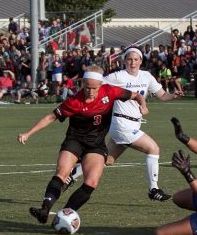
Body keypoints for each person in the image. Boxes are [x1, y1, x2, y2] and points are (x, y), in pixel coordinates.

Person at [17, 65, 147, 224]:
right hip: (75, 140)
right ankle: (44, 209)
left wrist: (143, 105)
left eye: (94, 88)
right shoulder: (74, 101)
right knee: (62, 173)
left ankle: (65, 214)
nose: (90, 91)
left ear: (101, 85)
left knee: (91, 182)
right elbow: (50, 117)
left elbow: (136, 95)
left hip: (95, 145)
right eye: (87, 87)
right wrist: (28, 133)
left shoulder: (111, 91)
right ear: (82, 84)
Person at [64, 48, 183, 201]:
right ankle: (154, 189)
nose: (132, 63)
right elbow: (97, 85)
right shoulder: (117, 76)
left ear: (141, 61)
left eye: (136, 59)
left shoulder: (146, 76)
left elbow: (162, 95)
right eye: (129, 59)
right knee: (153, 148)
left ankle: (72, 175)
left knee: (107, 160)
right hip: (121, 124)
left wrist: (173, 95)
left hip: (133, 124)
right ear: (124, 61)